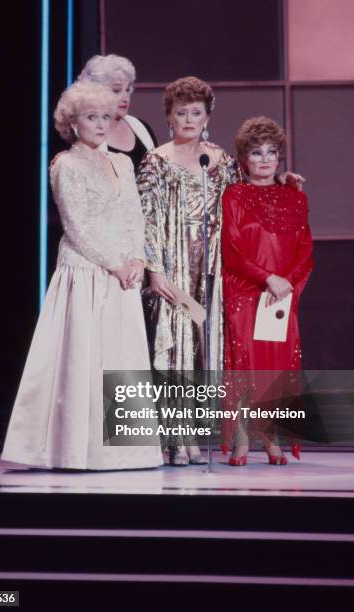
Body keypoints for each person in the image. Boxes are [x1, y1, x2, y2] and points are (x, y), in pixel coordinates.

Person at [1, 81, 163, 470]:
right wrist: (115, 263)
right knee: (83, 360)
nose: (101, 124)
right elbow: (77, 225)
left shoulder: (123, 162)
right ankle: (76, 449)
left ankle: (129, 452)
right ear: (73, 123)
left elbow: (134, 216)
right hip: (88, 272)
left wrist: (138, 261)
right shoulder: (65, 165)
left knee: (122, 358)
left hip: (123, 274)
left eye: (106, 117)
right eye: (92, 117)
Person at [136, 76, 244, 465]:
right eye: (180, 112)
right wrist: (154, 270)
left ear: (207, 116)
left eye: (195, 112)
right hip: (174, 264)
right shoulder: (156, 161)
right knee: (176, 347)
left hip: (213, 266)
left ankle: (198, 437)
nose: (188, 119)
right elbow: (145, 220)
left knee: (204, 349)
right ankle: (175, 441)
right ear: (168, 116)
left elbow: (240, 210)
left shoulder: (221, 162)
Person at [221, 116, 314, 466]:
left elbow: (305, 249)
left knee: (277, 367)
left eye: (271, 152)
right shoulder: (234, 195)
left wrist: (285, 283)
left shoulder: (296, 198)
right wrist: (266, 279)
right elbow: (232, 250)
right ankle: (244, 439)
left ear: (280, 157)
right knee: (245, 364)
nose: (264, 159)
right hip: (246, 290)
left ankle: (272, 439)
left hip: (282, 295)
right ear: (244, 159)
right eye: (256, 152)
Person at [79, 54, 157, 170]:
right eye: (116, 90)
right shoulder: (85, 136)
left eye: (127, 89)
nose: (125, 98)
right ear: (96, 92)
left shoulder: (142, 128)